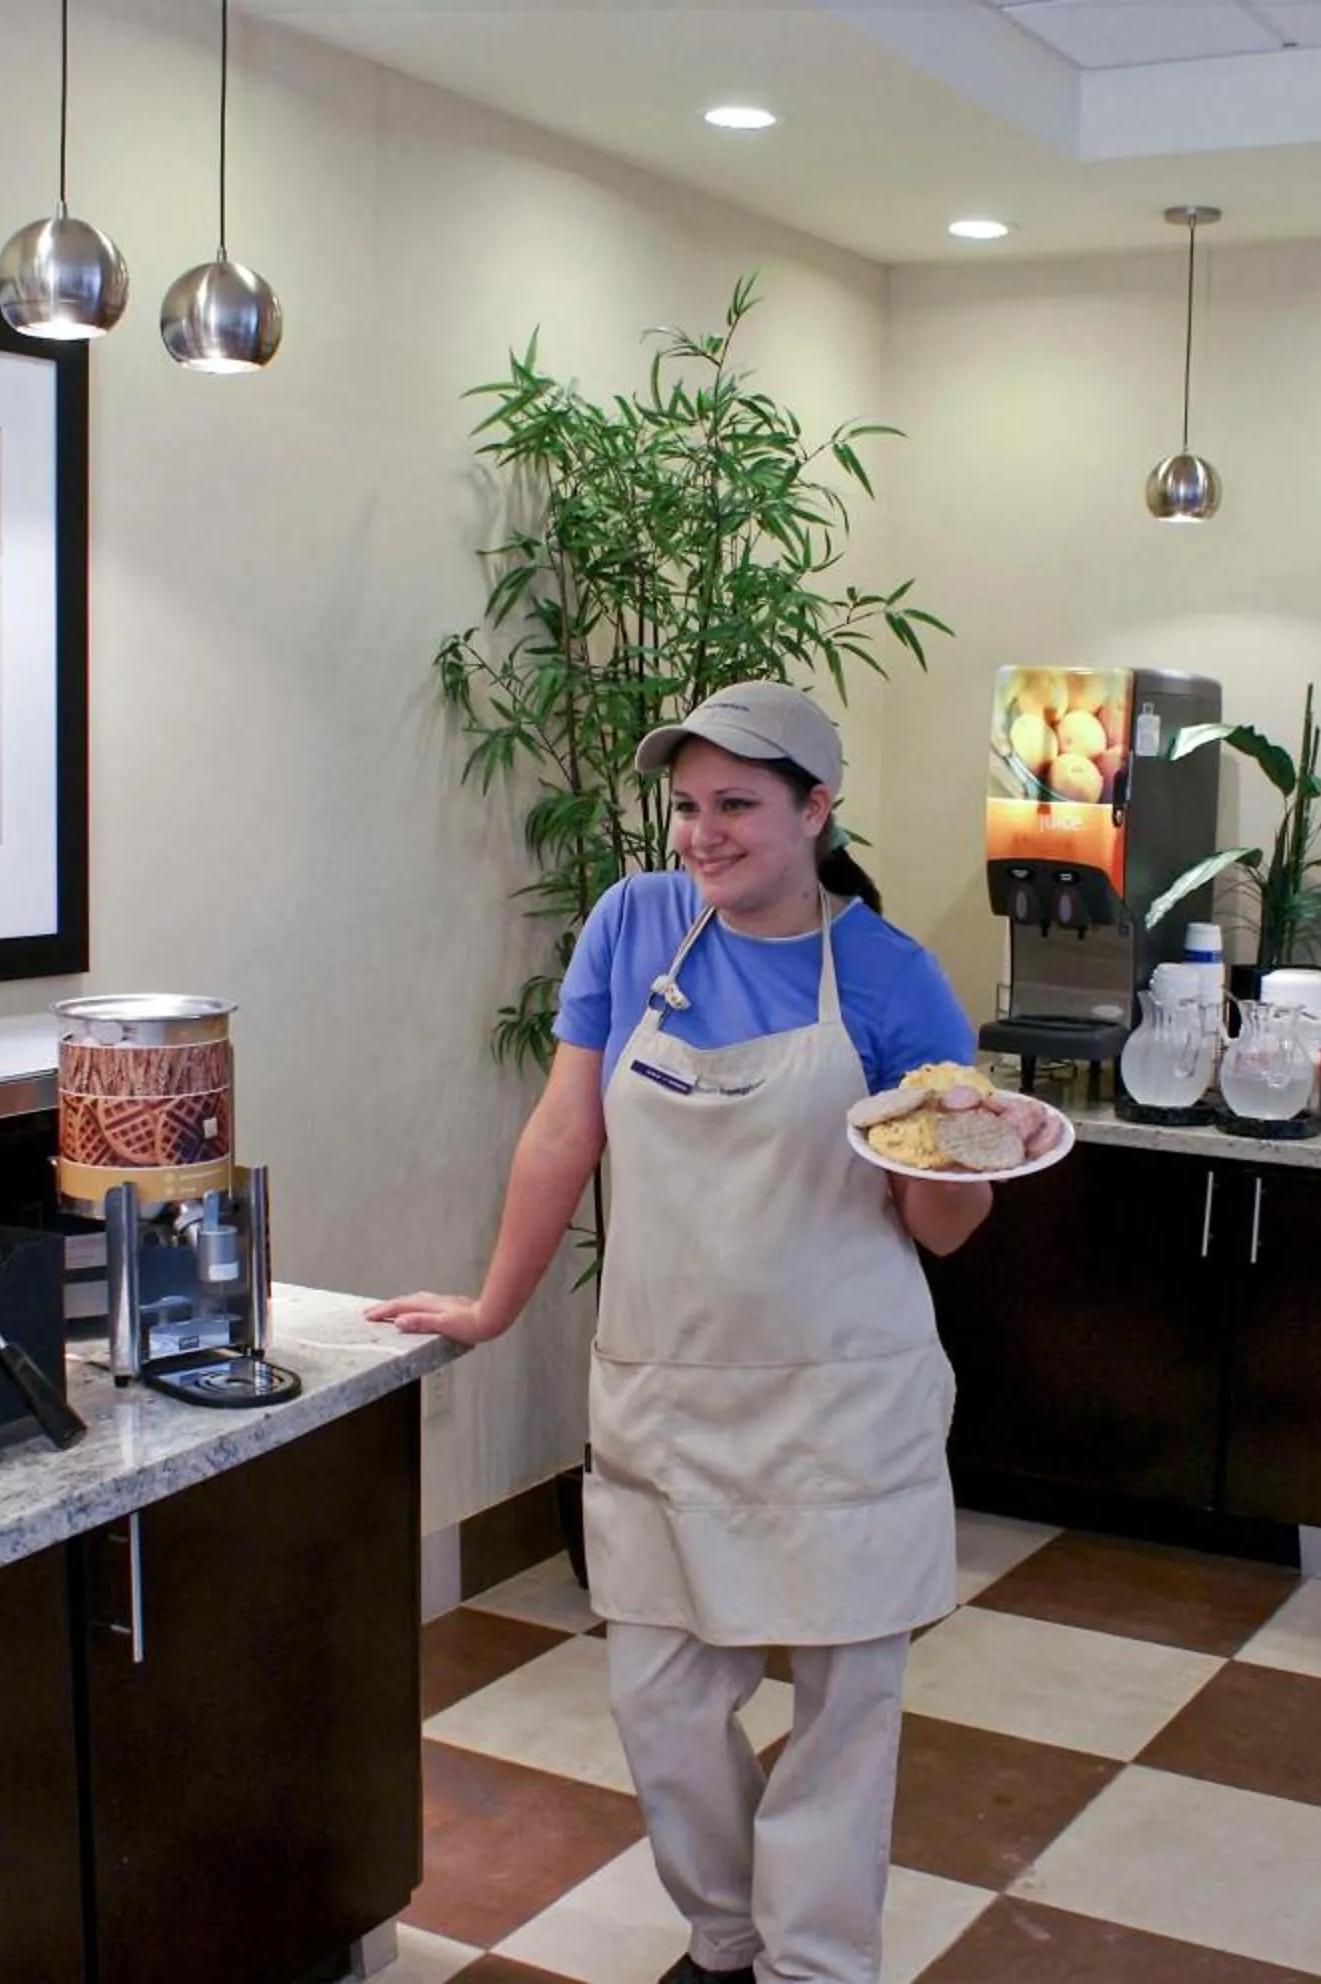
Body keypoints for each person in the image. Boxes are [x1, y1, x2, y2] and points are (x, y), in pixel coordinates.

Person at [370, 679, 993, 1984]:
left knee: (843, 1712)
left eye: (739, 808)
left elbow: (944, 1228)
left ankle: (814, 1967)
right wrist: (495, 1304)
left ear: (817, 811)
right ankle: (725, 1937)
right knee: (660, 1697)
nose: (703, 835)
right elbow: (564, 1129)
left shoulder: (890, 977)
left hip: (843, 1397)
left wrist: (955, 1150)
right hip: (667, 1389)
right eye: (690, 805)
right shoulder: (636, 928)